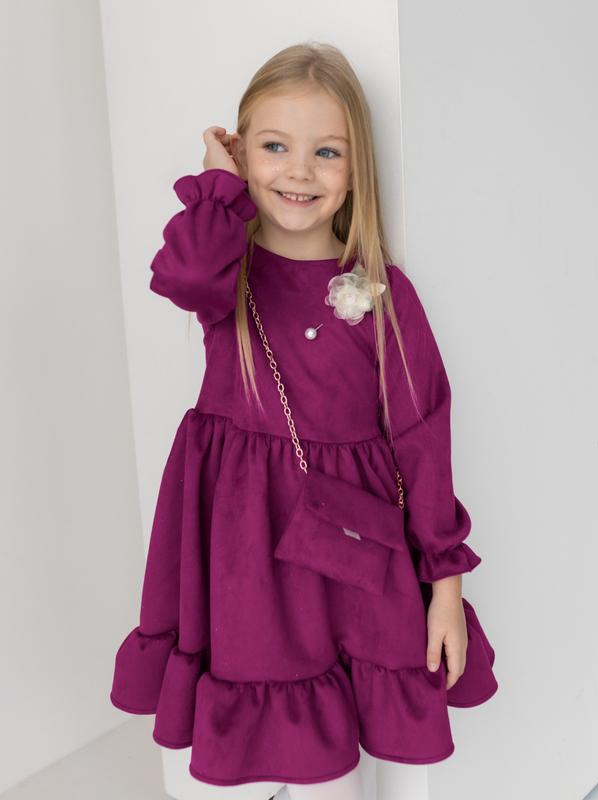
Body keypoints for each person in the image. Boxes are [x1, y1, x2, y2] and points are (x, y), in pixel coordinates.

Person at [109, 41, 498, 799]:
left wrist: (446, 589)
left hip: (347, 562)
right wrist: (219, 188)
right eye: (274, 147)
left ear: (355, 169)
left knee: (335, 777)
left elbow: (423, 440)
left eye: (326, 151)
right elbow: (183, 273)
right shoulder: (227, 273)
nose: (299, 171)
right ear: (241, 153)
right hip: (241, 551)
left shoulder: (382, 293)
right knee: (214, 776)